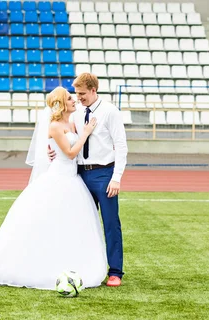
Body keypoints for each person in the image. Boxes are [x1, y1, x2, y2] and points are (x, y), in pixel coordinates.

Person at [0, 87, 108, 290]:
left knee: (69, 227)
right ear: (62, 104)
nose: (74, 101)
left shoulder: (71, 122)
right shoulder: (55, 126)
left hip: (73, 179)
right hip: (59, 178)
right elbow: (71, 153)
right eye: (70, 98)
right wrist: (86, 133)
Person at [49, 73, 128, 287]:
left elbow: (121, 146)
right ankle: (87, 267)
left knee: (111, 224)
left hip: (104, 174)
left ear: (94, 90)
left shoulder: (110, 112)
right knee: (84, 224)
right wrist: (52, 151)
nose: (78, 98)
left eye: (82, 93)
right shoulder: (76, 113)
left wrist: (116, 178)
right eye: (76, 94)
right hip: (80, 175)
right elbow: (66, 139)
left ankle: (115, 272)